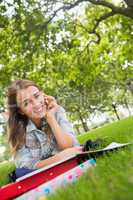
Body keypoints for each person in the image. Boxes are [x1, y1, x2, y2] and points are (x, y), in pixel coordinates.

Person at [7, 79, 82, 171]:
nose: (36, 104)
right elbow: (25, 165)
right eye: (26, 103)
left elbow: (71, 146)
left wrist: (51, 118)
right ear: (21, 110)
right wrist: (59, 158)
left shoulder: (56, 111)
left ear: (43, 94)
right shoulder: (18, 130)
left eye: (37, 96)